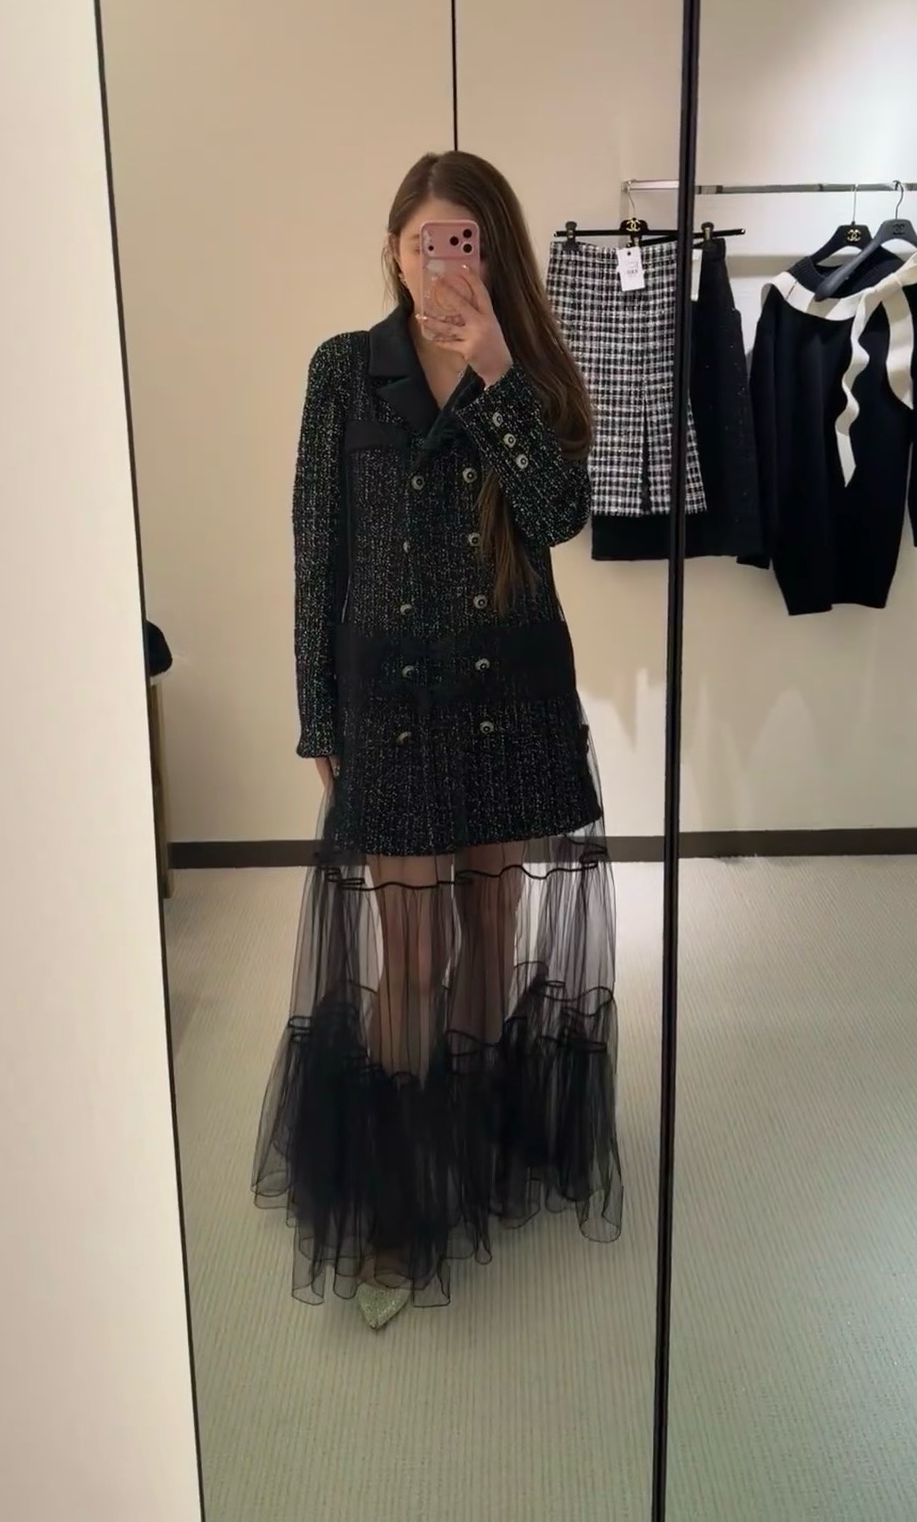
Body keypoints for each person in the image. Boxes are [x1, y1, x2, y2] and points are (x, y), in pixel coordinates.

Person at [253, 151, 623, 1329]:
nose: (443, 262)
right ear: (394, 249)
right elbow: (318, 550)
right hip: (393, 706)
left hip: (509, 694)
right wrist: (318, 713)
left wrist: (498, 371)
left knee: (492, 926)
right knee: (410, 952)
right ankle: (401, 1194)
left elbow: (559, 516)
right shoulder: (343, 371)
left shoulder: (531, 369)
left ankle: (464, 1143)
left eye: (465, 242)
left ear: (494, 253)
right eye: (427, 241)